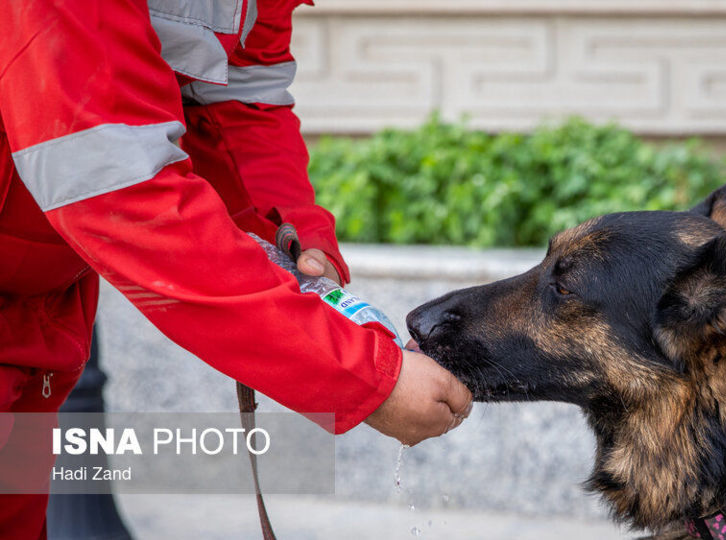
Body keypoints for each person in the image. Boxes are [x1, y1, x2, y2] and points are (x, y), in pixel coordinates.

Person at [0, 1, 473, 538]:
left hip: (33, 318)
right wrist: (364, 378)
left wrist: (287, 229)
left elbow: (239, 99)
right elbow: (121, 193)